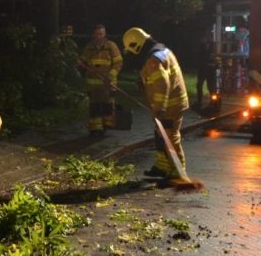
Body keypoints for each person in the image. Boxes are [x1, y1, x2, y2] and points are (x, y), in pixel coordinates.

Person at [121, 26, 189, 181]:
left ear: (136, 46)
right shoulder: (159, 51)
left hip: (170, 105)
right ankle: (163, 167)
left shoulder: (153, 60)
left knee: (170, 137)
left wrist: (159, 108)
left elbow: (162, 84)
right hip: (171, 103)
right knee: (160, 135)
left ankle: (178, 174)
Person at [76, 24, 122, 136]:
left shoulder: (111, 46)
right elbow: (83, 59)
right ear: (93, 34)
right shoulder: (89, 47)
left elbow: (118, 63)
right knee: (94, 106)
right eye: (97, 34)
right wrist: (79, 62)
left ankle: (107, 125)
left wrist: (110, 76)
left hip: (108, 83)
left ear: (104, 34)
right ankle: (96, 128)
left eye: (101, 34)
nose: (98, 36)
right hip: (93, 84)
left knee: (107, 105)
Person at [195, 28, 218, 109]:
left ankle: (213, 102)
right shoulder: (201, 45)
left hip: (210, 69)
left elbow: (213, 56)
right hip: (202, 68)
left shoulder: (213, 45)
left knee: (210, 87)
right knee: (199, 85)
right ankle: (199, 101)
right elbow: (199, 56)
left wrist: (213, 63)